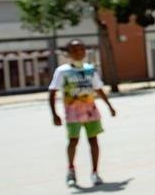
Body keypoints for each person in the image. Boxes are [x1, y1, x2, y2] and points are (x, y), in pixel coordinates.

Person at [48, 39, 117, 187]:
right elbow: (52, 92)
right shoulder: (63, 71)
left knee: (93, 140)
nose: (79, 52)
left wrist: (109, 106)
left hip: (91, 112)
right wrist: (54, 114)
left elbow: (98, 88)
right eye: (74, 50)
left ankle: (95, 172)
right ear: (68, 53)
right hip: (72, 113)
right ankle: (71, 170)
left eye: (81, 49)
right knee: (73, 141)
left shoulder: (90, 69)